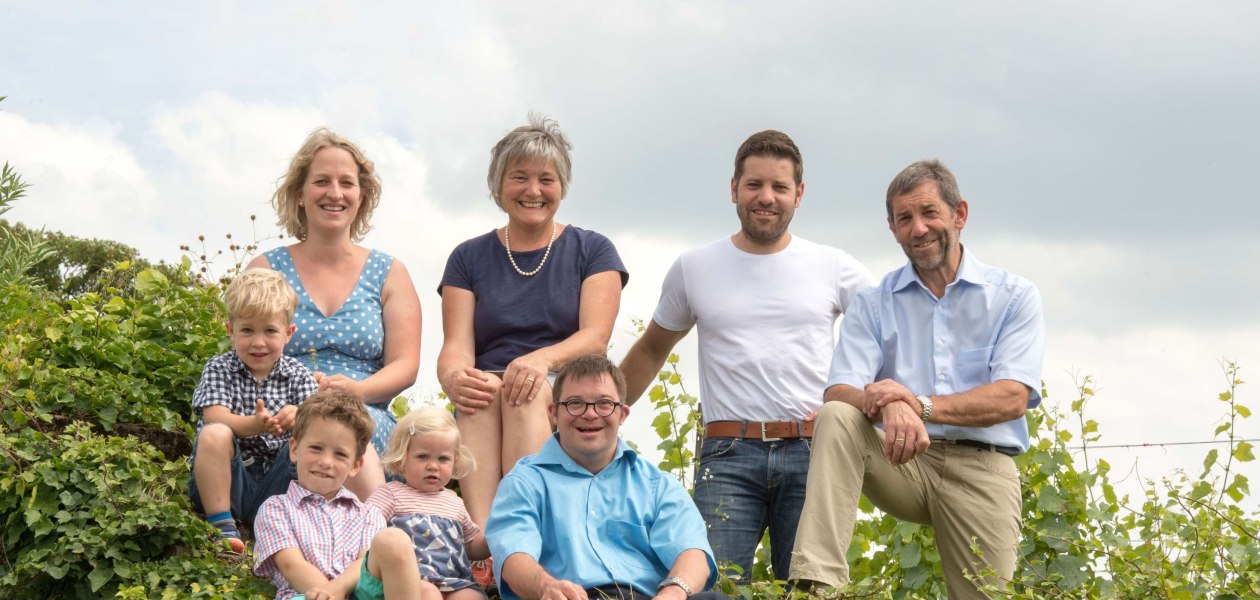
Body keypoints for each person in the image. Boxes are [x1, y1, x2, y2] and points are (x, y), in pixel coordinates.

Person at [618, 130, 874, 579]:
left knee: (809, 588)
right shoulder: (694, 267)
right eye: (754, 184)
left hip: (814, 451)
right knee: (713, 585)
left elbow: (884, 336)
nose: (766, 197)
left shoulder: (835, 266)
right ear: (734, 188)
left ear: (800, 194)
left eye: (779, 187)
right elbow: (652, 350)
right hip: (728, 454)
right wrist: (603, 410)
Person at [788, 160, 1045, 598]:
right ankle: (816, 585)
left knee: (984, 595)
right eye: (904, 218)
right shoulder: (873, 302)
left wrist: (919, 404)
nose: (918, 228)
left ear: (959, 214)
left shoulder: (1014, 297)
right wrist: (890, 403)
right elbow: (839, 389)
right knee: (836, 415)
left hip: (983, 466)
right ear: (892, 228)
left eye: (929, 213)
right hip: (902, 459)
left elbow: (1012, 398)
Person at [437, 114, 628, 536]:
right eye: (519, 177)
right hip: (492, 383)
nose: (534, 190)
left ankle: (524, 531)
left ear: (562, 186)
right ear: (498, 184)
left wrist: (539, 362)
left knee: (523, 392)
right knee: (481, 394)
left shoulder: (593, 249)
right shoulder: (467, 257)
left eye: (547, 179)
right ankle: (485, 539)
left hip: (564, 380)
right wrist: (454, 377)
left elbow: (595, 338)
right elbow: (456, 344)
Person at [249, 127, 422, 498]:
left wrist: (356, 391)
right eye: (322, 181)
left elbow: (405, 365)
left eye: (347, 183)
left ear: (362, 197)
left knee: (349, 426)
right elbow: (246, 349)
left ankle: (374, 538)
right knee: (318, 431)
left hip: (365, 412)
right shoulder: (267, 267)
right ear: (299, 194)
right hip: (287, 414)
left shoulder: (390, 272)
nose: (335, 193)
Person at [486, 355, 726, 600]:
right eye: (575, 403)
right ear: (554, 413)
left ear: (622, 414)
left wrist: (674, 592)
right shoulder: (524, 482)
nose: (590, 414)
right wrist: (546, 586)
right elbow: (513, 555)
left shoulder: (658, 486)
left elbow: (692, 552)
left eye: (603, 404)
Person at [253, 389, 436, 600]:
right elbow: (291, 565)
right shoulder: (276, 508)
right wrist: (328, 594)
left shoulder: (368, 514)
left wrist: (338, 589)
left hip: (362, 592)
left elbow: (363, 562)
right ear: (294, 449)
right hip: (306, 594)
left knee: (394, 540)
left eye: (340, 454)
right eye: (316, 448)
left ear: (356, 465)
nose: (326, 462)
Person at [188, 268, 319, 552]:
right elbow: (214, 416)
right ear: (231, 331)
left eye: (270, 331)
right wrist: (254, 425)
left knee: (311, 440)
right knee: (215, 434)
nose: (258, 342)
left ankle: (304, 523)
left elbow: (321, 424)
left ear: (288, 333)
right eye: (247, 330)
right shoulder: (219, 367)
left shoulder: (298, 375)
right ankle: (222, 526)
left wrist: (300, 417)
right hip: (226, 482)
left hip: (278, 486)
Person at [366, 407, 491, 599]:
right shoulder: (390, 494)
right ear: (402, 459)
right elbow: (365, 527)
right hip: (410, 582)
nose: (433, 465)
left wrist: (494, 535)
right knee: (429, 593)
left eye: (443, 458)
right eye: (422, 456)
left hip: (455, 581)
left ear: (455, 461)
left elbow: (471, 547)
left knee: (473, 597)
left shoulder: (454, 502)